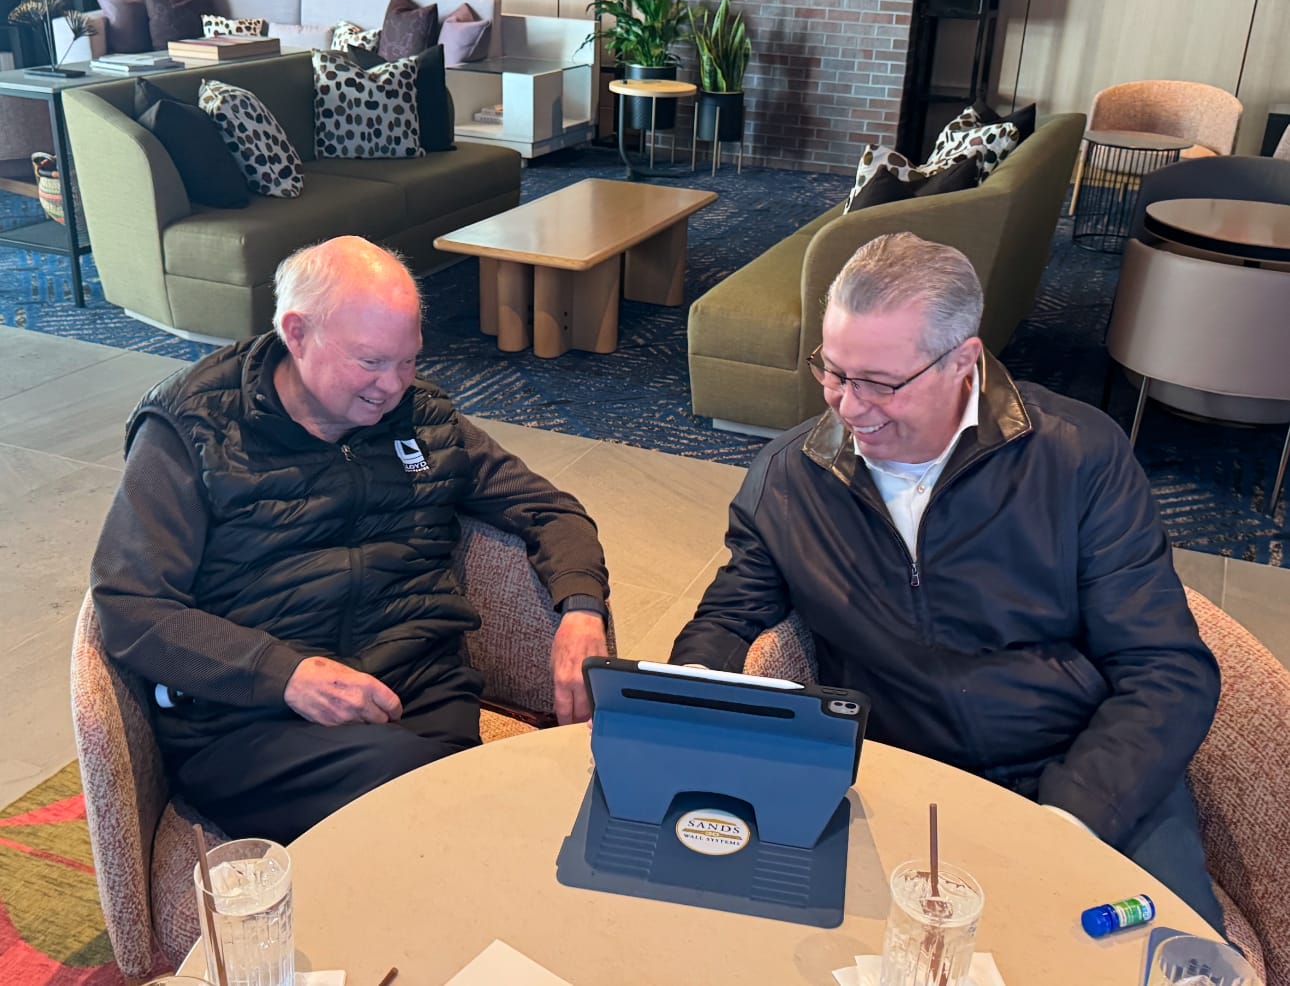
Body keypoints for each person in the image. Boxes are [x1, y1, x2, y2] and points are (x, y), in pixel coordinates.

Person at [670, 232, 1225, 931]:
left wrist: (1070, 815)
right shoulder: (791, 477)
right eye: (833, 372)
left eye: (880, 382)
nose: (847, 407)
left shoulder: (1077, 457)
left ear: (965, 361)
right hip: (913, 777)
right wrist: (678, 705)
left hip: (1089, 770)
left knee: (1175, 964)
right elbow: (729, 615)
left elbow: (1167, 669)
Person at [91, 236, 610, 843]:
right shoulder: (193, 427)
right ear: (297, 332)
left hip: (416, 693)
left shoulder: (423, 419)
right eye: (369, 362)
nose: (392, 387)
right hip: (255, 723)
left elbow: (549, 508)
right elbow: (129, 607)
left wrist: (581, 610)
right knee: (443, 800)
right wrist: (285, 674)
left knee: (458, 811)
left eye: (408, 360)